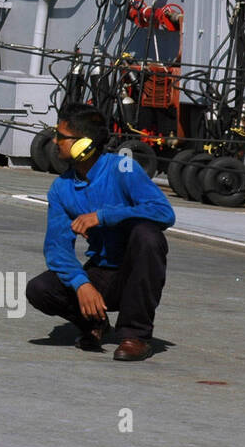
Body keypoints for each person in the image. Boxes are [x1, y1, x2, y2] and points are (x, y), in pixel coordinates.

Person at [25, 103, 175, 361]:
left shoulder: (123, 168)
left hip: (135, 270)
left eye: (62, 136)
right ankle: (95, 323)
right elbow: (57, 248)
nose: (55, 140)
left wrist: (104, 216)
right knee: (39, 289)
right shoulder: (61, 189)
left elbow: (163, 212)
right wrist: (81, 283)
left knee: (148, 236)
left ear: (84, 143)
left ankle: (135, 336)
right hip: (102, 272)